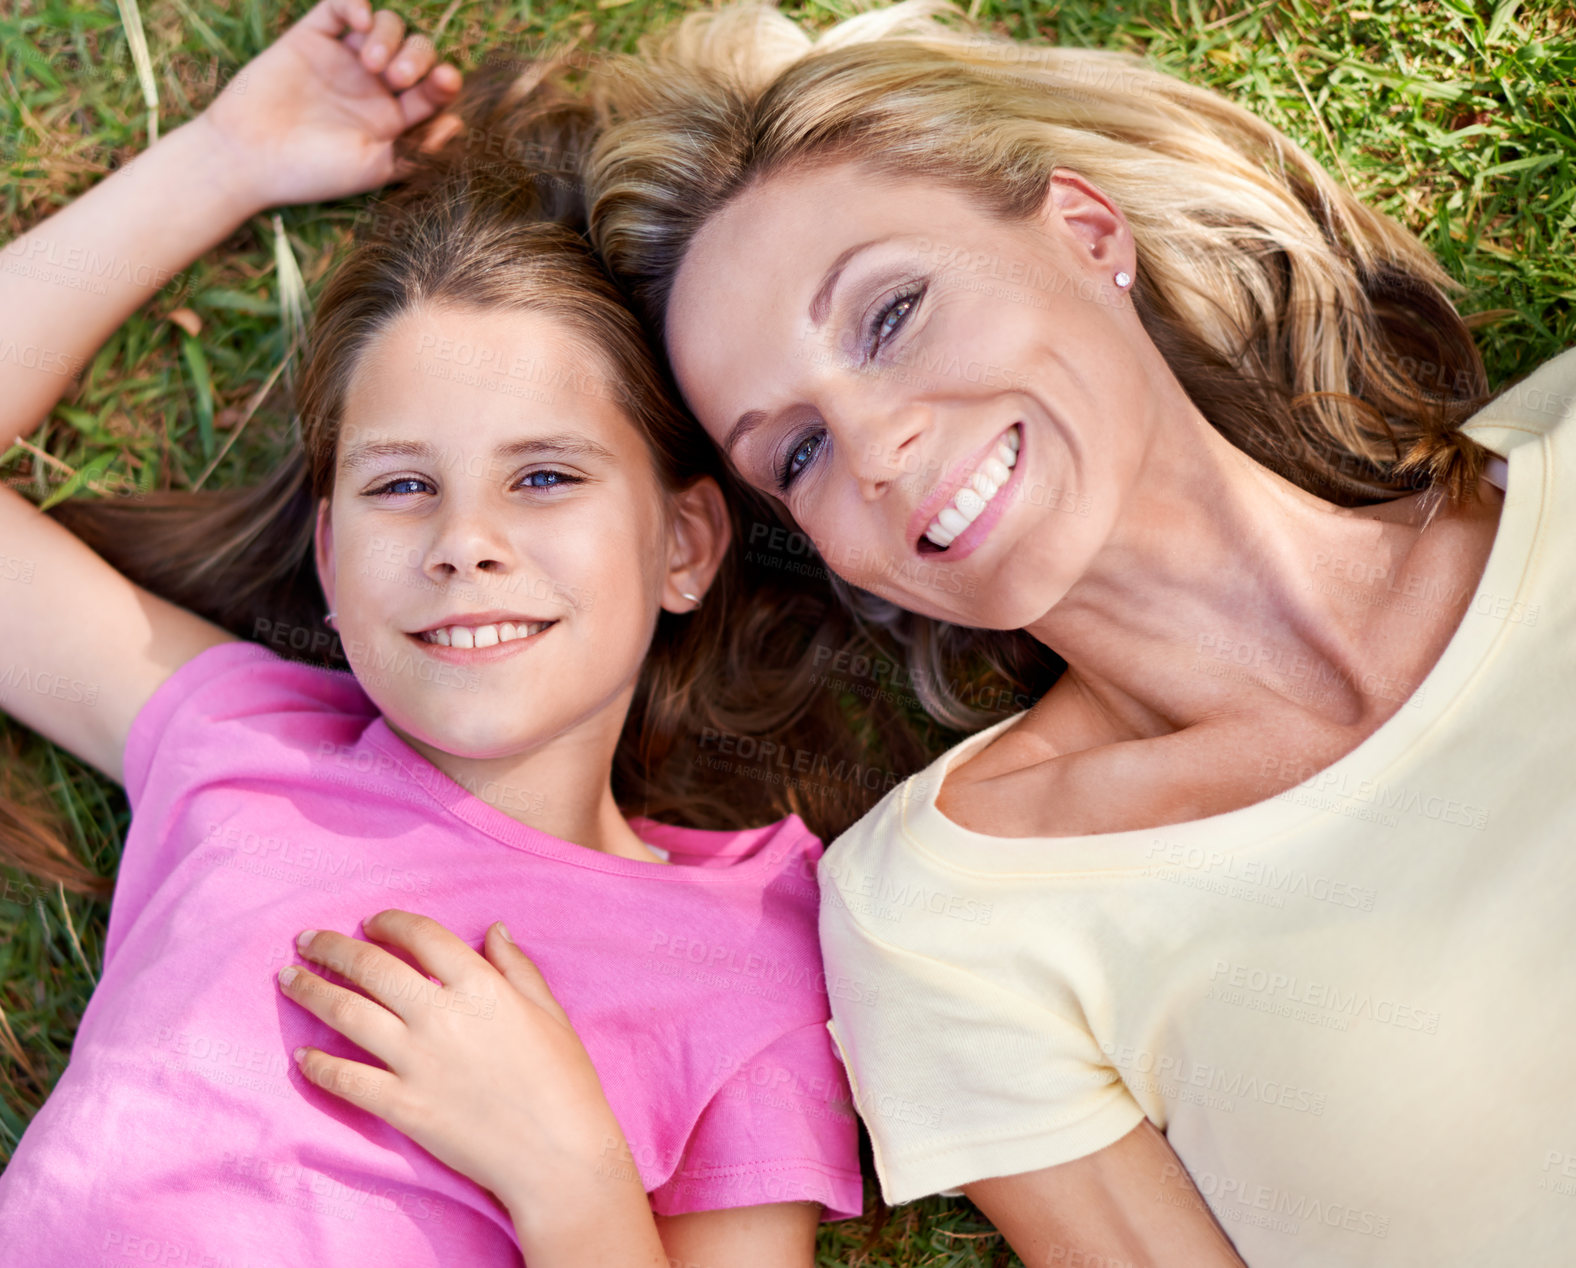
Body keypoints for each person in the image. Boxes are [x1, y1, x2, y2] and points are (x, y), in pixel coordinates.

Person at [575, 2, 1576, 1263]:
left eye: (889, 315)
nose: (875, 449)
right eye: (800, 449)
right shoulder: (948, 914)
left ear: (1086, 231)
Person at [0, 4, 870, 1263]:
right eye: (403, 486)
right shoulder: (241, 746)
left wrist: (563, 1173)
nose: (464, 540)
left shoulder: (744, 953)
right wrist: (223, 157)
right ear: (331, 556)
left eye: (545, 478)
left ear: (683, 544)